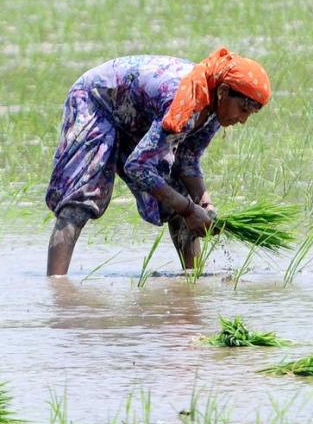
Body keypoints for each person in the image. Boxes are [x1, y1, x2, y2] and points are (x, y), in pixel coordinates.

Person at [44, 48, 270, 276]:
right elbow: (138, 166)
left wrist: (204, 204)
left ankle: (194, 278)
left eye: (249, 115)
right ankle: (57, 287)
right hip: (96, 100)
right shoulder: (185, 100)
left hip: (136, 112)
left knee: (180, 194)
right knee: (80, 201)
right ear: (223, 91)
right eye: (242, 110)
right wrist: (190, 209)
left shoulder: (213, 110)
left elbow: (187, 159)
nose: (242, 120)